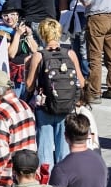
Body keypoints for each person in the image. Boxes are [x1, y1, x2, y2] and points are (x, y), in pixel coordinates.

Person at [24, 18, 84, 170]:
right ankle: (64, 182)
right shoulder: (70, 53)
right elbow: (81, 83)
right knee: (63, 149)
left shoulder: (39, 55)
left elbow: (30, 86)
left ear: (42, 35)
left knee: (44, 149)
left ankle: (47, 182)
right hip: (67, 107)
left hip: (45, 108)